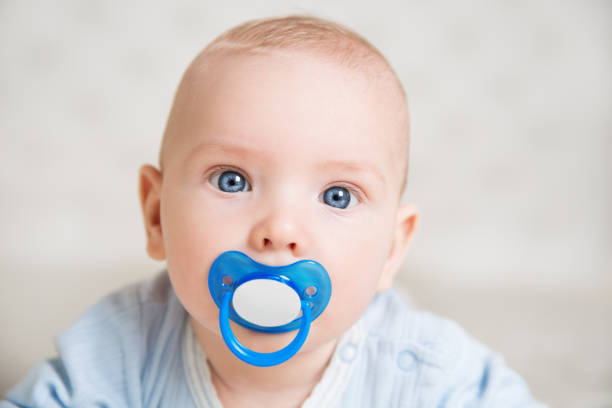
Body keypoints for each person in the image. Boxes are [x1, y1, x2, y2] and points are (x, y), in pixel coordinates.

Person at [1, 15, 546, 407]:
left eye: (338, 195)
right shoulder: (119, 354)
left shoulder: (428, 372)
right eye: (232, 180)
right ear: (157, 216)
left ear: (392, 249)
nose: (280, 231)